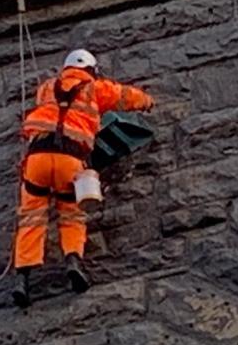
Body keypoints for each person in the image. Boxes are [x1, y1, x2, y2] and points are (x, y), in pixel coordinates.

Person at [12, 48, 154, 308]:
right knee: (72, 214)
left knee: (31, 217)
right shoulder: (94, 88)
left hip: (38, 159)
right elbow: (124, 96)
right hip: (71, 161)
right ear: (91, 70)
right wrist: (147, 102)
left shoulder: (46, 88)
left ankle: (22, 278)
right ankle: (73, 261)